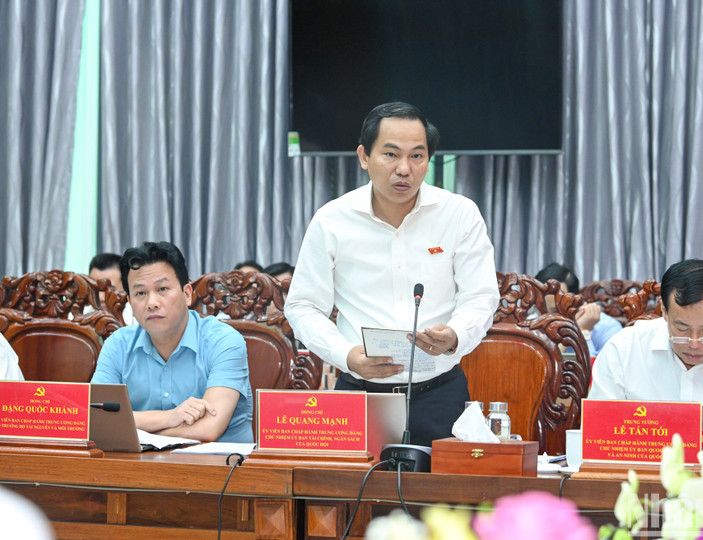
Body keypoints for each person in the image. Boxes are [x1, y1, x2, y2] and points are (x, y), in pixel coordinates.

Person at [284, 102, 499, 447]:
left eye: (417, 156)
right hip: (359, 395)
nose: (404, 169)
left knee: (443, 484)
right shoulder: (332, 220)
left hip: (440, 395)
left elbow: (481, 296)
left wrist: (455, 335)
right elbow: (303, 306)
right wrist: (345, 354)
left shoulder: (459, 214)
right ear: (364, 156)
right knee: (352, 485)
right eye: (391, 154)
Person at [91, 241, 253, 442]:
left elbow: (208, 429)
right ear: (130, 303)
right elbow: (98, 417)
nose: (152, 303)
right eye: (140, 293)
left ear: (187, 294)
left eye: (162, 289)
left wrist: (133, 429)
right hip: (141, 461)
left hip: (220, 460)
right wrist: (169, 417)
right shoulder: (117, 345)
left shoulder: (223, 341)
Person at [588, 259, 703, 405]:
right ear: (664, 311)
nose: (694, 343)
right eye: (682, 328)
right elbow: (599, 429)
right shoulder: (624, 349)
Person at [534, 262, 622, 356]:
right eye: (541, 310)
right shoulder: (530, 323)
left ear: (577, 301)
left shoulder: (609, 328)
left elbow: (594, 366)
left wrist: (583, 332)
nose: (547, 319)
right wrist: (571, 333)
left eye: (556, 312)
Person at [89, 252, 137, 326]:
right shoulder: (74, 318)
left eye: (108, 290)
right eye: (95, 288)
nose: (100, 297)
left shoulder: (140, 323)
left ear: (126, 287)